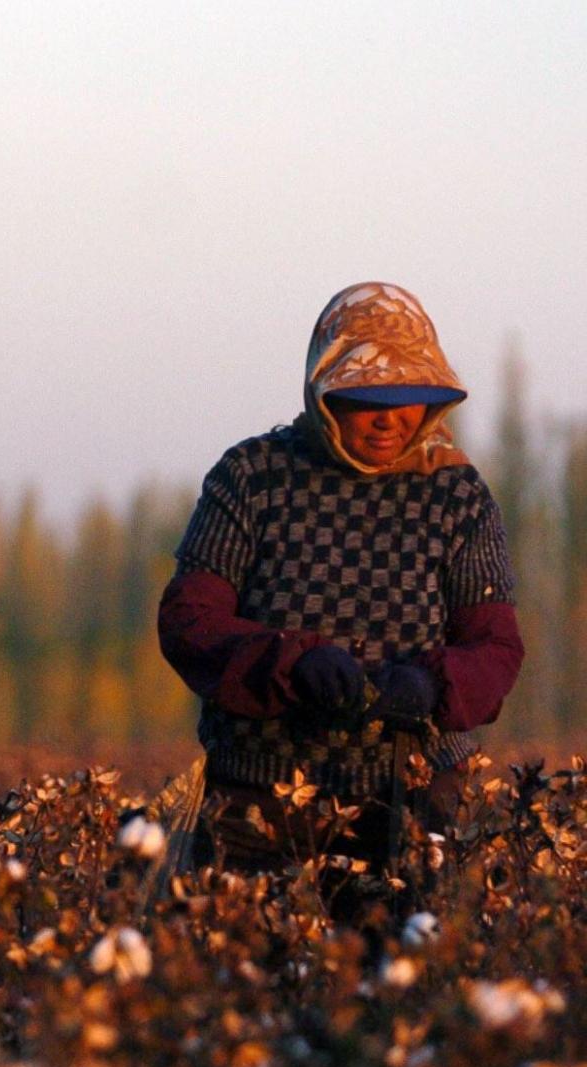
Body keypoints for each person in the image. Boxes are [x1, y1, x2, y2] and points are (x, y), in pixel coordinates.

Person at [157, 282, 523, 877]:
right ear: (325, 393)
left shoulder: (458, 495)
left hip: (414, 792)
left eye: (407, 396)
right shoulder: (250, 477)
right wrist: (289, 662)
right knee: (249, 963)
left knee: (412, 957)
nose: (389, 419)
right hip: (259, 797)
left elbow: (497, 648)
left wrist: (434, 685)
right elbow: (188, 622)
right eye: (365, 398)